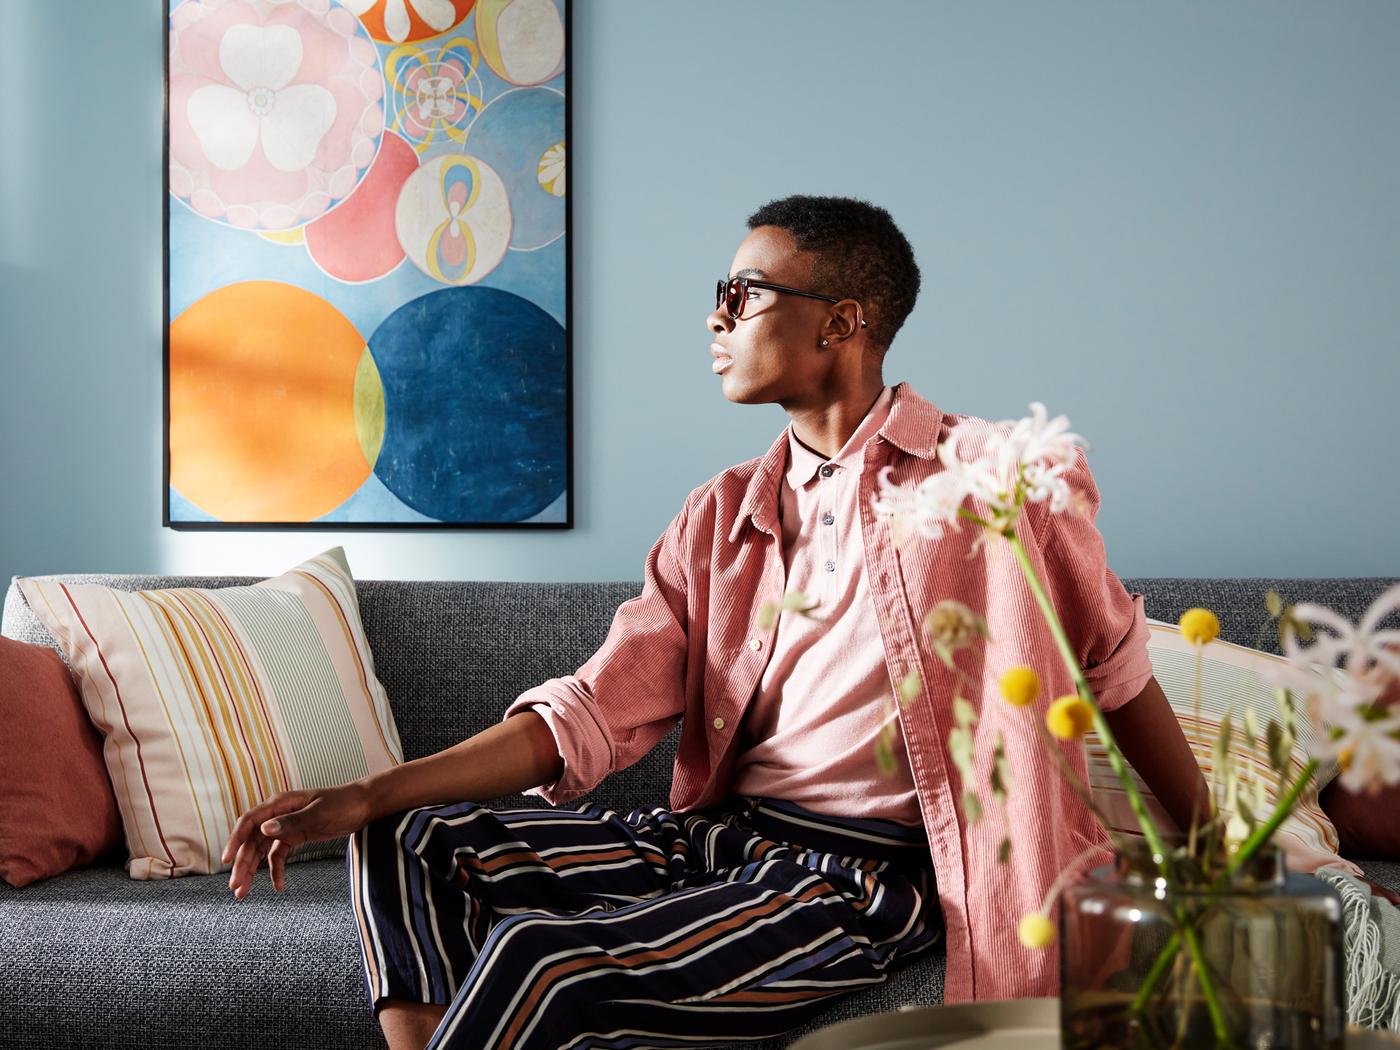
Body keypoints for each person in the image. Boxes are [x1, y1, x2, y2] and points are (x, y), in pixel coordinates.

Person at [221, 195, 1211, 1050]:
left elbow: (1115, 673)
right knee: (408, 835)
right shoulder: (720, 516)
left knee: (543, 963)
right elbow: (587, 715)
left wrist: (1220, 861)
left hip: (865, 880)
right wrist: (364, 791)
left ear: (840, 322)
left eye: (741, 294)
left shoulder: (994, 477)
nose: (713, 317)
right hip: (727, 840)